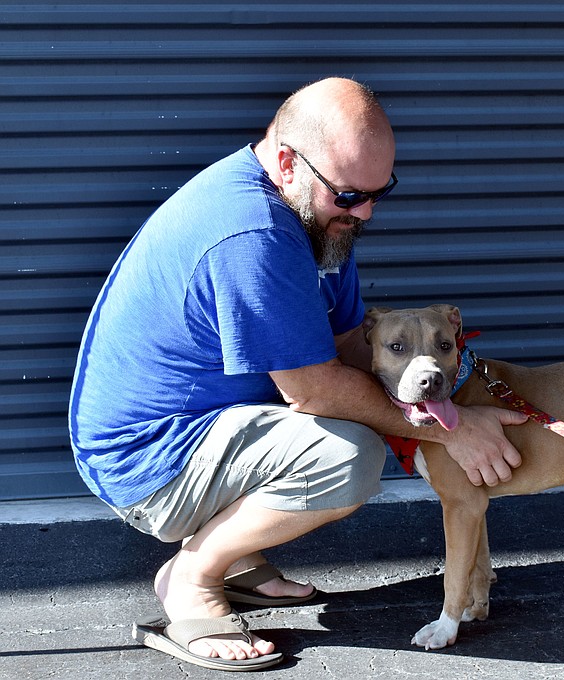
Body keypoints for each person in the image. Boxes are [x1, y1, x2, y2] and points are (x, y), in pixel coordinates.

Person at [68, 77, 526, 671]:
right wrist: (453, 429)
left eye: (378, 191)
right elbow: (313, 389)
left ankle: (239, 559)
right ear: (288, 162)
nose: (363, 212)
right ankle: (194, 577)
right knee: (346, 456)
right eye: (348, 195)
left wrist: (440, 382)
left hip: (212, 423)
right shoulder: (254, 234)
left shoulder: (317, 215)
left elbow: (341, 343)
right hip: (147, 459)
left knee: (351, 418)